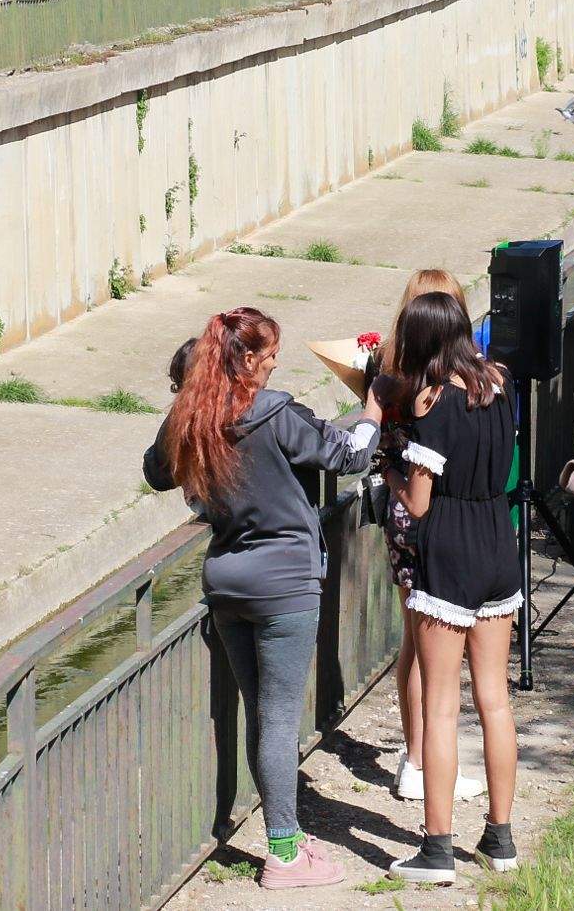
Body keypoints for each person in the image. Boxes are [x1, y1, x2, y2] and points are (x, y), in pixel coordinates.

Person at [142, 308, 384, 890]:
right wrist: (374, 410)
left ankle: (285, 839)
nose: (275, 363)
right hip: (285, 585)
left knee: (259, 713)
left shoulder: (195, 420)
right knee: (277, 721)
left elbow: (155, 473)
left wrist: (185, 409)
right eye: (269, 354)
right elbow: (348, 455)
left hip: (227, 583)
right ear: (245, 360)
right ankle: (284, 854)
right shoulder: (274, 413)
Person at [383, 293, 522, 883]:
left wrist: (389, 469)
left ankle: (437, 849)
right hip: (499, 542)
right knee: (494, 699)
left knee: (441, 706)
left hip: (451, 553)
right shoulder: (499, 382)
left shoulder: (432, 401)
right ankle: (500, 838)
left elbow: (417, 503)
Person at [375, 271, 490, 807]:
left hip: (420, 518)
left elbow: (366, 435)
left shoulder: (395, 374)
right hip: (427, 516)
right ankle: (420, 761)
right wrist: (394, 475)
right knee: (425, 651)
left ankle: (422, 760)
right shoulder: (418, 385)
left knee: (419, 645)